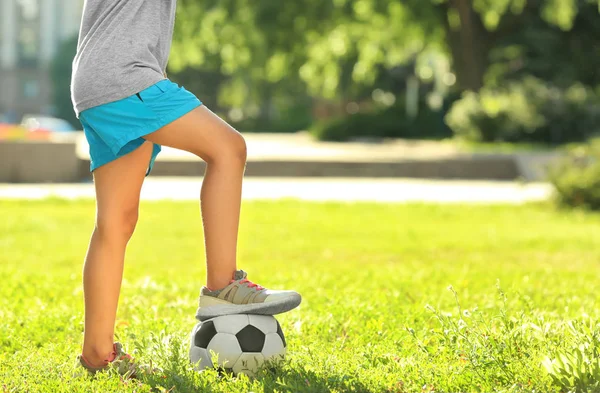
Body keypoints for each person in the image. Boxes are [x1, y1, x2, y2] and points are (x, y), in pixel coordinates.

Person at [71, 0, 301, 375]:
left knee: (116, 222)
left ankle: (97, 353)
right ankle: (222, 287)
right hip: (125, 76)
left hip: (96, 81)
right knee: (228, 149)